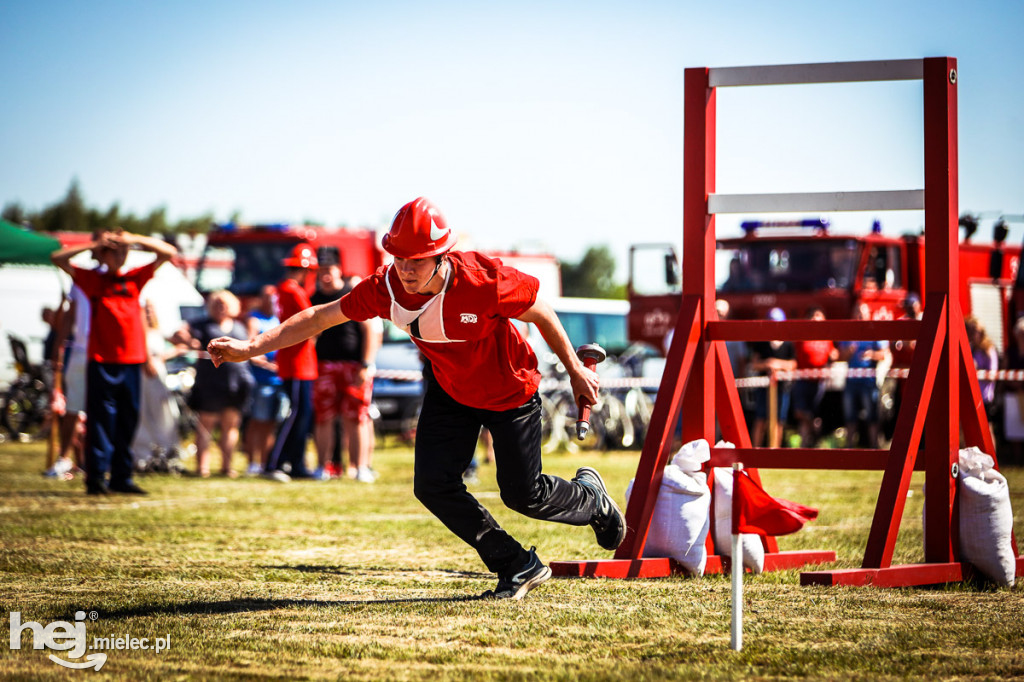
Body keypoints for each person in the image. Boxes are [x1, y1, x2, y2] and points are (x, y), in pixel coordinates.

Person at [208, 197, 625, 600]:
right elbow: (320, 316)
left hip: (510, 391)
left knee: (523, 494)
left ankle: (592, 500)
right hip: (451, 392)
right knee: (432, 486)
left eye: (416, 259)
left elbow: (541, 311)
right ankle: (514, 563)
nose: (405, 268)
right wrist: (250, 347)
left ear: (441, 255)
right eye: (399, 258)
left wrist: (574, 370)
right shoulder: (385, 288)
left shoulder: (482, 279)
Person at [50, 229, 178, 495]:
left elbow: (168, 252)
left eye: (124, 252)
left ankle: (122, 477)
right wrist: (95, 244)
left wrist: (135, 239)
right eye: (115, 251)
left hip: (131, 361)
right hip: (101, 360)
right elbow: (58, 258)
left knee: (127, 421)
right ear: (104, 254)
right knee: (100, 421)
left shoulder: (135, 278)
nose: (121, 256)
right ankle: (96, 478)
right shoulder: (92, 279)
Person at [310, 252, 382, 483]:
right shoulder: (313, 298)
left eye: (329, 269)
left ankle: (360, 468)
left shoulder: (351, 296)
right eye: (321, 270)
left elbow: (370, 331)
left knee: (356, 417)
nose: (325, 274)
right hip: (322, 367)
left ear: (339, 269)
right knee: (324, 417)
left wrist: (366, 364)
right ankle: (323, 467)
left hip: (353, 366)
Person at [172, 290, 253, 477]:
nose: (221, 307)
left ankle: (227, 466)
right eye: (217, 304)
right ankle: (203, 467)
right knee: (206, 425)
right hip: (210, 383)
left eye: (224, 304)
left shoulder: (239, 327)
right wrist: (189, 341)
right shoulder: (200, 325)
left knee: (231, 425)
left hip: (236, 383)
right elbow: (177, 333)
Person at [264, 243, 320, 481]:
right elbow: (314, 322)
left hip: (296, 361)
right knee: (297, 414)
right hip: (298, 361)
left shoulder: (281, 289)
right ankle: (274, 463)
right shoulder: (294, 291)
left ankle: (296, 464)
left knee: (303, 415)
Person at [131, 299, 182, 467]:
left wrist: (176, 350)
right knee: (143, 413)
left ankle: (167, 449)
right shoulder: (138, 331)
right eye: (145, 310)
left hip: (158, 374)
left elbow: (165, 352)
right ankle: (143, 453)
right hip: (143, 374)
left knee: (166, 411)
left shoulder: (158, 331)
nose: (148, 313)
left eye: (150, 310)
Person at [243, 285, 286, 476]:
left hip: (280, 380)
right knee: (258, 422)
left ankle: (265, 462)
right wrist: (271, 366)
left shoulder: (279, 318)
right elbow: (250, 349)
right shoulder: (254, 319)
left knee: (271, 424)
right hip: (262, 380)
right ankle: (252, 462)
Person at [840, 302, 891, 448]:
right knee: (850, 417)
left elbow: (885, 354)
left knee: (872, 417)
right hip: (851, 381)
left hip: (868, 382)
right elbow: (841, 356)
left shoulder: (874, 331)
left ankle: (874, 447)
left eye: (862, 312)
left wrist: (872, 354)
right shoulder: (849, 333)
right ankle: (849, 448)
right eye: (857, 312)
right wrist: (848, 352)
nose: (860, 315)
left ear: (868, 314)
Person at [748, 307, 796, 448]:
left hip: (782, 387)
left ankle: (774, 449)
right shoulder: (761, 342)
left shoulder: (787, 343)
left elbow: (793, 364)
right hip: (763, 387)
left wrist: (777, 364)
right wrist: (767, 364)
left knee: (779, 420)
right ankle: (756, 449)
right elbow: (755, 364)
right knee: (760, 419)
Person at [791, 306, 838, 447]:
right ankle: (816, 431)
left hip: (819, 381)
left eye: (818, 315)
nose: (814, 318)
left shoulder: (826, 338)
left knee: (812, 412)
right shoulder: (801, 336)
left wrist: (834, 358)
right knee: (800, 412)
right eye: (812, 315)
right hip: (802, 379)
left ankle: (806, 445)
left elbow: (833, 354)